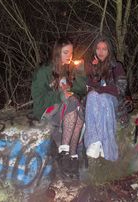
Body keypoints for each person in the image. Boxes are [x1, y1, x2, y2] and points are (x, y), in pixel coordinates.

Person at [31, 38, 86, 178]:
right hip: (46, 110)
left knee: (79, 110)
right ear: (57, 53)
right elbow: (38, 100)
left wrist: (80, 74)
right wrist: (59, 96)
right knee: (73, 103)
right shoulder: (44, 71)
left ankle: (72, 155)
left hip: (67, 110)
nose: (70, 56)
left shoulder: (68, 69)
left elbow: (80, 90)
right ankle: (64, 153)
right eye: (66, 52)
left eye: (71, 52)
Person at [84, 36, 133, 161]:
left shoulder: (117, 66)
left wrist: (101, 90)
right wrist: (94, 71)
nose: (100, 52)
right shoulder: (91, 66)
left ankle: (108, 148)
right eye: (98, 49)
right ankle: (95, 142)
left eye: (104, 49)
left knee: (104, 98)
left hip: (114, 103)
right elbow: (89, 88)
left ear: (109, 51)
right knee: (92, 96)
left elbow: (120, 90)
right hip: (97, 104)